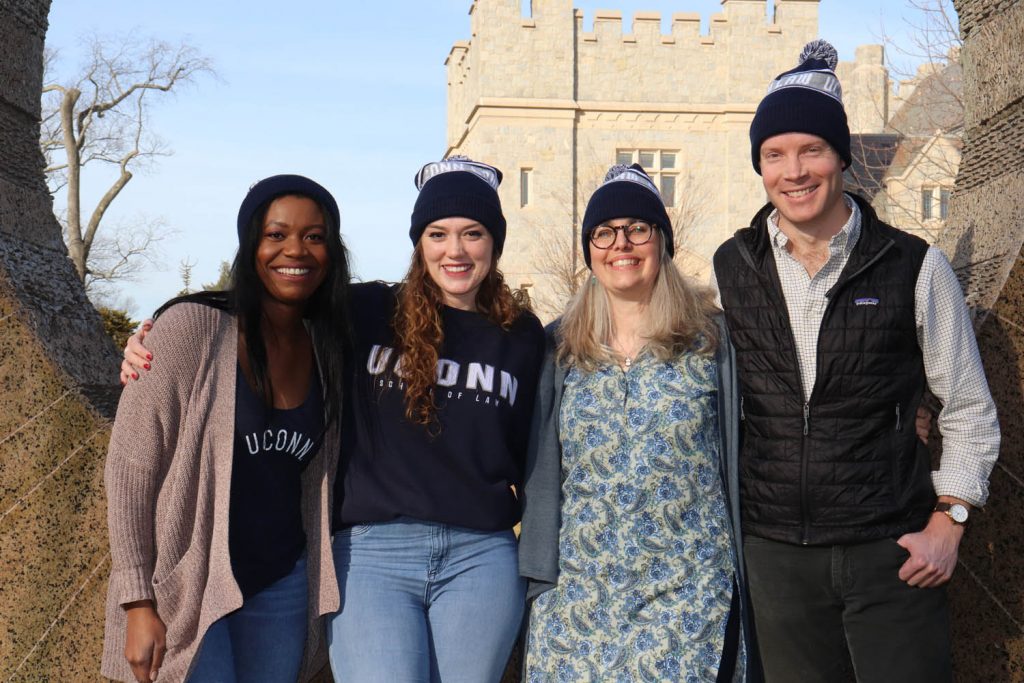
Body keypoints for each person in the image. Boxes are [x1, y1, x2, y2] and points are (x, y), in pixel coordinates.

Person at [122, 157, 545, 682]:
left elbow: (538, 452)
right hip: (372, 554)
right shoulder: (366, 311)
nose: (454, 250)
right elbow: (271, 298)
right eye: (438, 233)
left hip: (481, 557)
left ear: (494, 242)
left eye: (473, 234)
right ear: (419, 241)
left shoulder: (525, 337)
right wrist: (152, 335)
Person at [711, 40, 1001, 682]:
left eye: (811, 149)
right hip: (777, 561)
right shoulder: (732, 267)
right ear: (760, 166)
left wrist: (949, 521)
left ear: (840, 155)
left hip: (891, 556)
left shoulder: (913, 266)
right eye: (774, 155)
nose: (794, 171)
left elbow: (970, 408)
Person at [102, 175, 351, 682]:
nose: (295, 250)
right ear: (250, 243)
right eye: (275, 234)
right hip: (188, 583)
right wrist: (135, 600)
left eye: (314, 236)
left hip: (281, 586)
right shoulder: (191, 328)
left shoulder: (328, 345)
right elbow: (130, 467)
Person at [519, 164, 757, 682]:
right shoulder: (556, 347)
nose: (620, 244)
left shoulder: (712, 340)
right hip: (577, 597)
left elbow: (783, 402)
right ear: (589, 250)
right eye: (603, 232)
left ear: (661, 241)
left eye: (637, 229)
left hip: (690, 596)